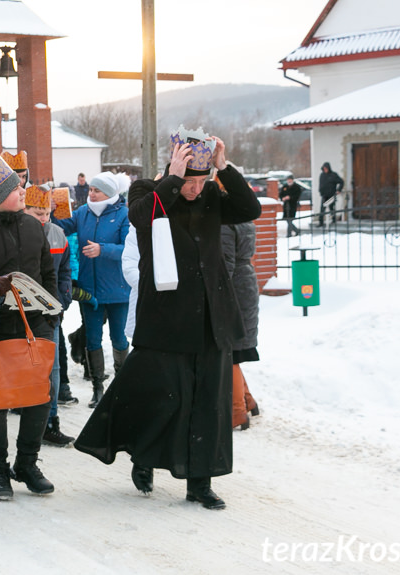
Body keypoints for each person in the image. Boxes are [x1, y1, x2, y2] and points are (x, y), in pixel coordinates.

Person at [74, 126, 261, 509]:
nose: (196, 188)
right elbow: (142, 217)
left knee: (209, 404)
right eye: (191, 181)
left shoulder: (211, 194)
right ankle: (144, 459)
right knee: (160, 399)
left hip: (210, 319)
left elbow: (249, 209)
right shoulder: (148, 191)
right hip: (165, 321)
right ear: (175, 169)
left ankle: (200, 483)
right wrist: (174, 181)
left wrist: (223, 169)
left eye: (202, 180)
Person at [0, 152, 58, 501]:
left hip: (36, 324)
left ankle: (27, 464)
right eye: (15, 187)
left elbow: (48, 272)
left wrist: (51, 314)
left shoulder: (33, 226)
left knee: (38, 395)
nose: (23, 190)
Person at [52, 171, 131, 408]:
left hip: (118, 290)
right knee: (93, 339)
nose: (91, 194)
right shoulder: (83, 213)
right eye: (91, 189)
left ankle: (121, 387)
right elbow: (60, 227)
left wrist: (103, 249)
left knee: (118, 338)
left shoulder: (124, 215)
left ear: (110, 192)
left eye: (97, 190)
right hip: (90, 291)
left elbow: (129, 249)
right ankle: (98, 388)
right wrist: (52, 210)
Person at [24, 185, 74, 447]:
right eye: (37, 213)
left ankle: (50, 421)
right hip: (21, 312)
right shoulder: (18, 232)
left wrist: (63, 298)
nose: (43, 218)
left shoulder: (58, 235)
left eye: (46, 213)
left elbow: (65, 270)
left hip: (50, 312)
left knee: (51, 368)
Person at [221, 222, 261, 430]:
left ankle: (237, 412)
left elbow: (225, 262)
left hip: (232, 287)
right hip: (243, 281)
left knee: (228, 353)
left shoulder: (224, 223)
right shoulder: (241, 217)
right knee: (233, 351)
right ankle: (247, 400)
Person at [318, 162, 343, 227]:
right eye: (324, 168)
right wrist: (321, 191)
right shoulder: (322, 175)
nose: (325, 170)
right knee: (322, 209)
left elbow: (341, 182)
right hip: (324, 195)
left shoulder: (333, 175)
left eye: (326, 168)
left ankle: (333, 220)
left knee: (332, 208)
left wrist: (339, 190)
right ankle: (321, 222)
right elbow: (321, 184)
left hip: (331, 195)